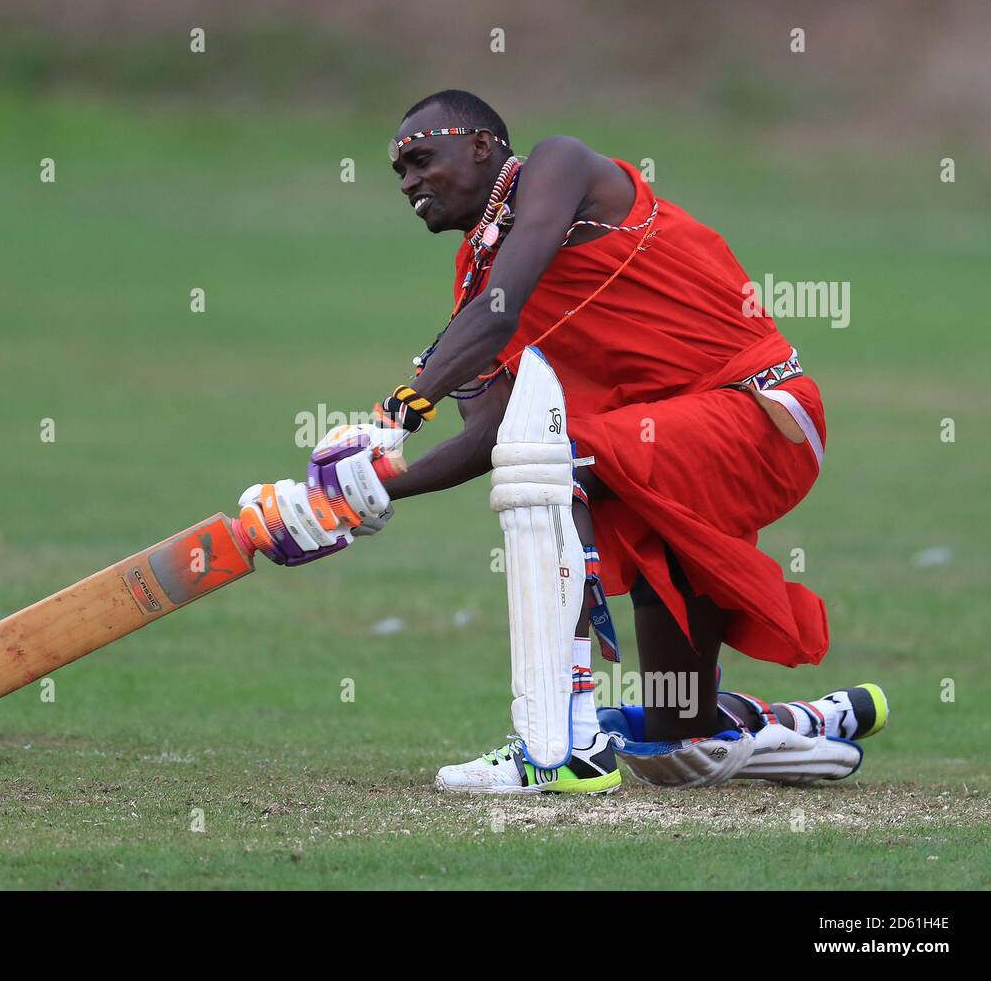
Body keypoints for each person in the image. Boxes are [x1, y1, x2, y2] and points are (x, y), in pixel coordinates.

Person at [241, 90, 887, 794]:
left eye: (422, 159)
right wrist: (356, 498)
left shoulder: (558, 166)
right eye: (398, 172)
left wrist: (396, 414)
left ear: (482, 145)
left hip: (763, 413)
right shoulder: (475, 277)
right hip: (666, 446)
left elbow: (500, 314)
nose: (408, 183)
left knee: (555, 460)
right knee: (678, 748)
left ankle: (563, 745)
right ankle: (792, 724)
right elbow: (495, 435)